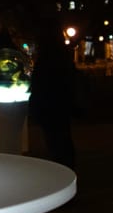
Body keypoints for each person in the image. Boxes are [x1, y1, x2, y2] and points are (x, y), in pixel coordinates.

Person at [29, 22, 77, 169]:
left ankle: (62, 169)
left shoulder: (45, 59)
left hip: (48, 105)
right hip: (62, 104)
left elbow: (39, 84)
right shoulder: (63, 55)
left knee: (54, 140)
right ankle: (68, 168)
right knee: (63, 137)